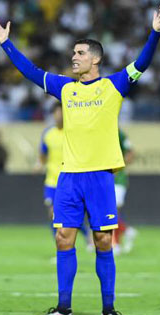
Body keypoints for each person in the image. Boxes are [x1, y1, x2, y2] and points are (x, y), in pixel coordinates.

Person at [0, 3, 160, 315]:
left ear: (95, 58)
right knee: (63, 238)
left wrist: (154, 33)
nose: (74, 57)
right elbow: (30, 71)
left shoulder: (115, 85)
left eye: (80, 53)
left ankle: (109, 310)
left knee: (102, 241)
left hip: (98, 177)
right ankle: (63, 309)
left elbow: (143, 62)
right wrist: (5, 43)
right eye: (73, 52)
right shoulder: (65, 88)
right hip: (68, 176)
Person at [39, 104, 91, 247]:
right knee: (52, 214)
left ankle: (88, 237)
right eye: (56, 113)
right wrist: (40, 164)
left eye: (62, 113)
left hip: (69, 181)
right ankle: (60, 246)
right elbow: (43, 154)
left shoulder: (73, 132)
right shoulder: (48, 134)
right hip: (51, 182)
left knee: (71, 216)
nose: (59, 116)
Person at [113, 129, 137, 256]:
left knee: (112, 211)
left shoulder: (118, 133)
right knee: (108, 212)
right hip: (103, 179)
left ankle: (115, 244)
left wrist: (119, 165)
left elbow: (131, 152)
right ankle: (126, 231)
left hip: (118, 179)